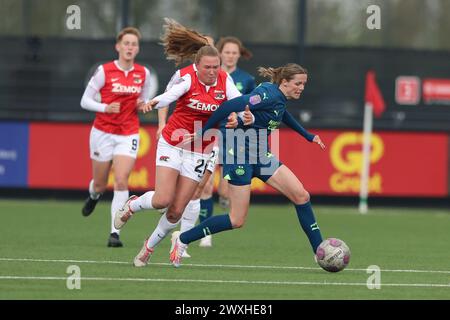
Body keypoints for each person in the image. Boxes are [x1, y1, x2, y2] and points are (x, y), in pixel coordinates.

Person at [113, 19, 253, 267]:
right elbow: (170, 96)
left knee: (177, 210)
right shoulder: (187, 78)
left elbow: (239, 104)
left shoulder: (224, 81)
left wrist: (243, 116)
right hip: (174, 143)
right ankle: (133, 204)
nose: (212, 72)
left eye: (216, 67)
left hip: (200, 150)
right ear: (196, 66)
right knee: (162, 200)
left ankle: (148, 247)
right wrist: (153, 103)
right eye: (207, 67)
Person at [168, 63, 326, 267]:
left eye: (304, 83)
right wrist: (202, 132)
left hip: (260, 154)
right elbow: (227, 106)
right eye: (298, 83)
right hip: (239, 154)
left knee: (301, 195)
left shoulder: (279, 98)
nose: (301, 87)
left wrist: (308, 135)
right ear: (284, 82)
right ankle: (182, 239)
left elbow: (282, 113)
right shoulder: (266, 95)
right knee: (236, 220)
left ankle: (319, 251)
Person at [80, 27, 153, 247]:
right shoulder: (105, 70)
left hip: (128, 132)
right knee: (100, 184)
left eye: (134, 44)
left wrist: (143, 105)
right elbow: (85, 101)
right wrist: (104, 107)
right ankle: (93, 196)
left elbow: (143, 99)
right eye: (126, 43)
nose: (130, 47)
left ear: (137, 49)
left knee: (121, 180)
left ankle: (115, 233)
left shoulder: (144, 73)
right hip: (102, 132)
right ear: (118, 47)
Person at [198, 36, 257, 248]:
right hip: (210, 133)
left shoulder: (247, 79)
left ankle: (223, 200)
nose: (230, 55)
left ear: (239, 55)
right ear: (220, 53)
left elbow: (250, 108)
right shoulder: (211, 75)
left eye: (234, 52)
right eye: (227, 52)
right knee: (204, 187)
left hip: (233, 136)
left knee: (224, 191)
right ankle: (205, 232)